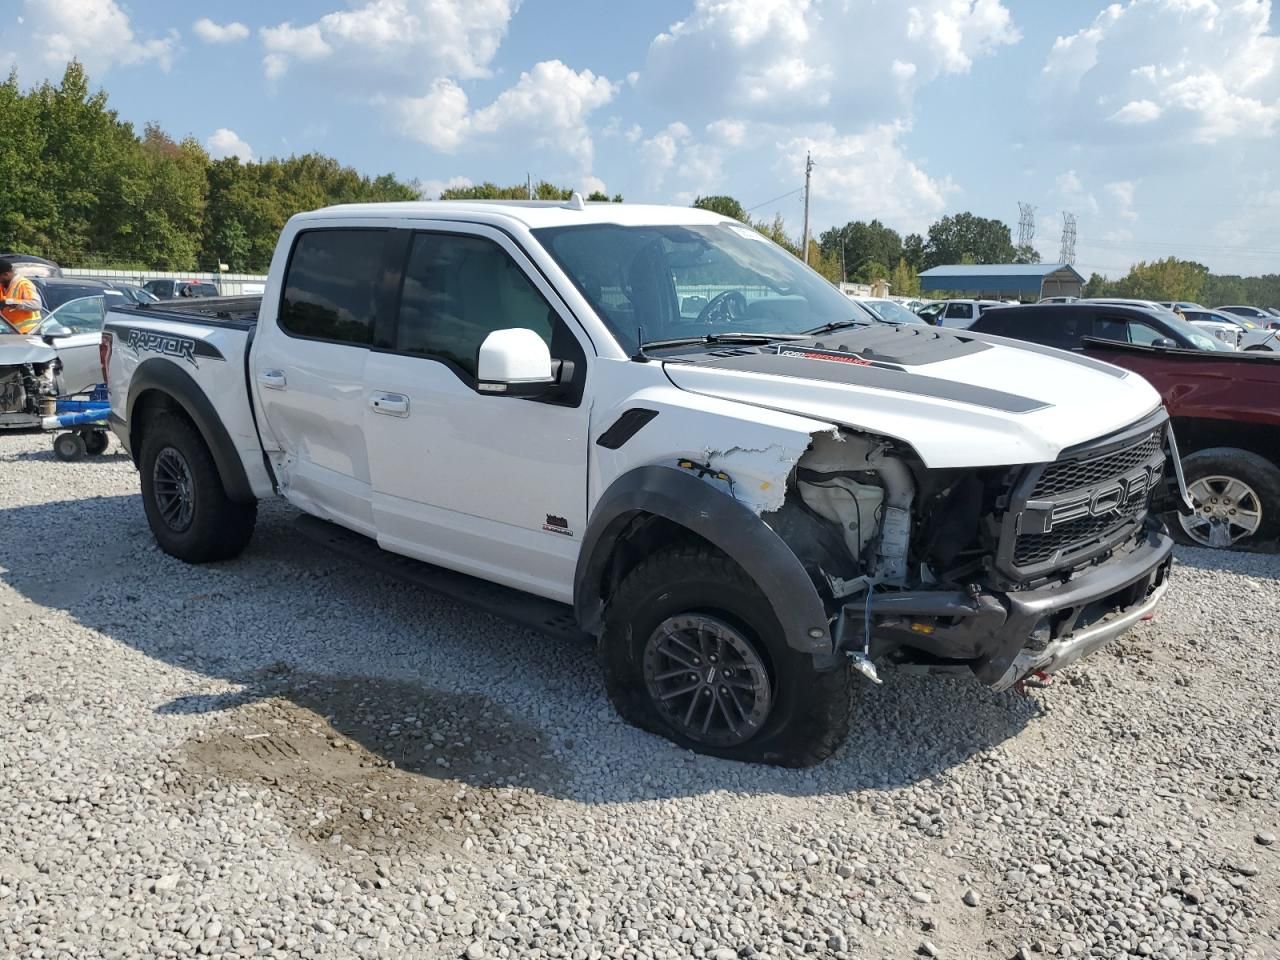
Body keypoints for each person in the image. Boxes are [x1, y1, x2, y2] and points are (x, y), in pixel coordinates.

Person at [0, 260, 42, 333]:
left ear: (6, 274)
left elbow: (36, 305)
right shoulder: (3, 286)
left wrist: (9, 302)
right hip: (11, 332)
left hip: (29, 333)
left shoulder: (23, 284)